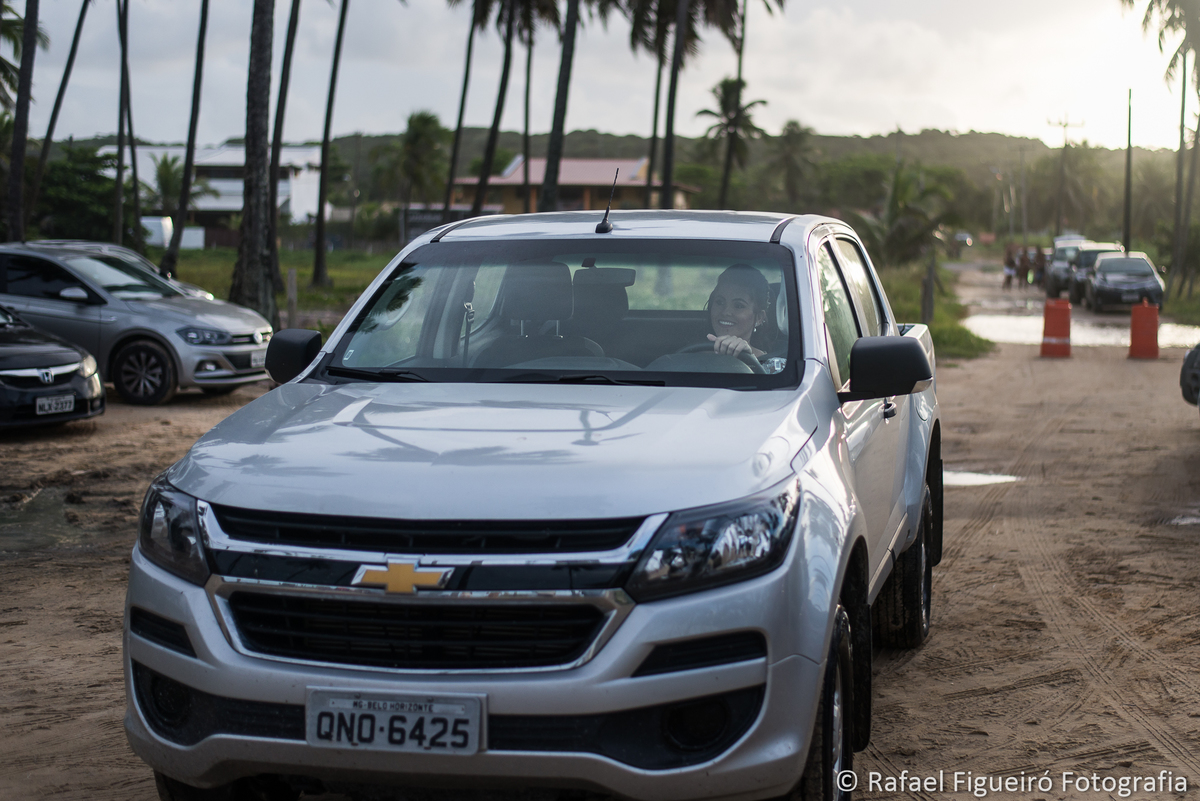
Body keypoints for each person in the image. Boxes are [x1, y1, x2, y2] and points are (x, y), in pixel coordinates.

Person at [706, 264, 772, 358]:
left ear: (759, 318)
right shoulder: (692, 360)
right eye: (720, 302)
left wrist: (749, 359)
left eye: (738, 306)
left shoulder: (771, 368)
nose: (726, 312)